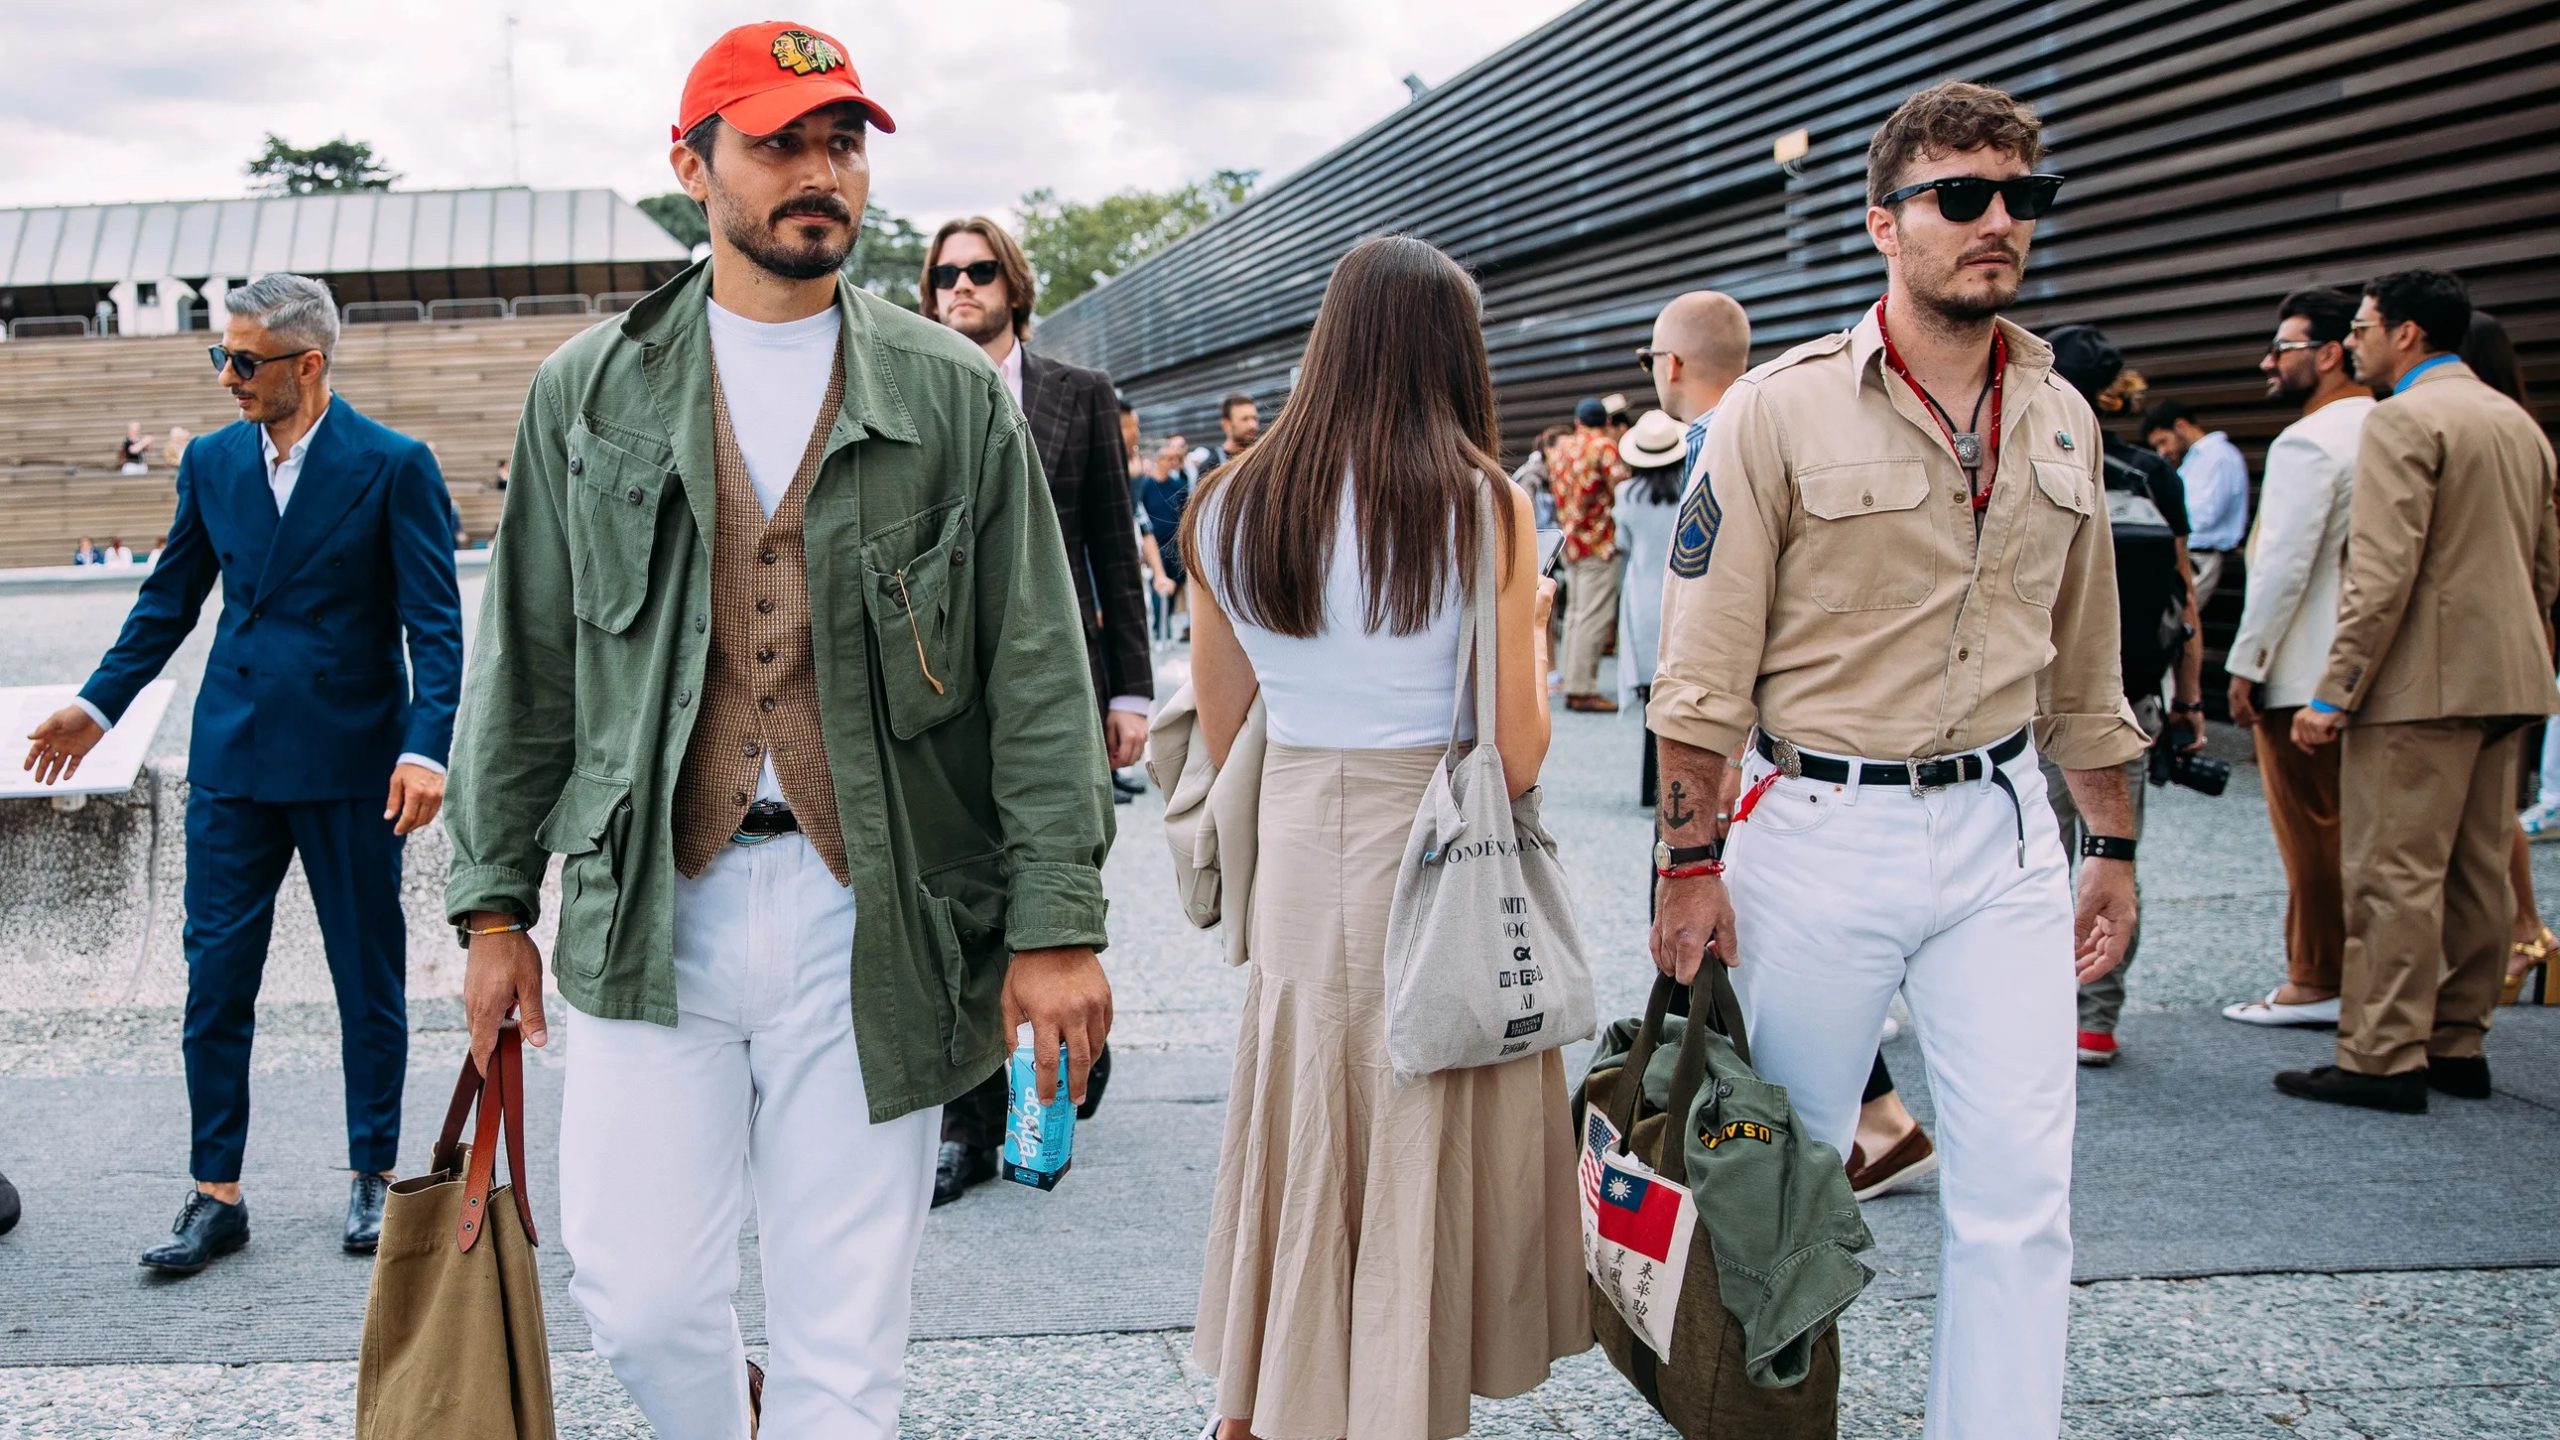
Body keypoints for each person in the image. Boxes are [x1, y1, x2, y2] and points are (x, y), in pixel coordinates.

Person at [442, 25, 1114, 1436]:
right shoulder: (591, 389)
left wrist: (1057, 923)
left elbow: (1037, 670)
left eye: (844, 143)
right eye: (780, 142)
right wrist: (493, 906)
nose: (823, 173)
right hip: (648, 906)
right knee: (638, 1295)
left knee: (846, 1327)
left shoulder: (947, 394)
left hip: (870, 908)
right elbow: (530, 670)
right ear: (692, 166)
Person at [1648, 82, 2145, 1440]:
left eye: (2023, 199)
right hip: (1816, 830)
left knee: (2022, 1201)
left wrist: (2110, 845)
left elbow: (2087, 668)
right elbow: (1700, 672)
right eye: (1963, 196)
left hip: (2002, 832)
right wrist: (1689, 868)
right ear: (1885, 222)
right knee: (1779, 1189)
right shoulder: (1779, 412)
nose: (2000, 223)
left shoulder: (2060, 415)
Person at [1184, 233, 1582, 1440]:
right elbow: (1514, 754)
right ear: (1450, 355)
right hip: (1441, 842)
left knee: (1304, 1113)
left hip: (1304, 834)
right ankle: (1393, 1392)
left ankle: (1272, 1391)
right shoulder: (1482, 504)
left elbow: (1220, 724)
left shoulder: (1230, 504)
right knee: (1422, 1103)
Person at [22, 271, 463, 1273]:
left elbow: (436, 627)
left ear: (308, 365)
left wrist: (424, 746)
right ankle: (215, 1193)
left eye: (244, 360)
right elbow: (168, 601)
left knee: (367, 977)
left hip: (355, 763)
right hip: (233, 760)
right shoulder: (215, 463)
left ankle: (372, 1174)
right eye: (223, 356)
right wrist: (96, 707)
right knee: (215, 979)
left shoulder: (394, 464)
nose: (227, 375)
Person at [2281, 269, 2559, 1113]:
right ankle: (2457, 1041)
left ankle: (2380, 1055)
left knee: (2393, 871)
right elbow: (2546, 570)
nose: (2354, 340)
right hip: (2509, 675)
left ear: (2406, 334)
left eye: (2363, 327)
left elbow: (2381, 573)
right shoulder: (2518, 422)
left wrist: (2335, 693)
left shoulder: (2404, 419)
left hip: (2418, 683)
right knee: (2479, 868)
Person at [918, 213, 1151, 1200]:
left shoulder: (1077, 396)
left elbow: (1111, 544)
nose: (958, 289)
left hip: (1062, 681)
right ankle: (967, 1123)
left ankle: (1063, 1048)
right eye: (941, 276)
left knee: (1053, 884)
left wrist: (1133, 689)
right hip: (942, 690)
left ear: (1011, 286)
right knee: (964, 897)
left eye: (977, 273)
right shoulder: (914, 388)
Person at [2040, 323, 2206, 1067]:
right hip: (2131, 698)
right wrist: (2191, 701)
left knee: (2033, 861)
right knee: (2111, 856)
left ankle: (2031, 1011)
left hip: (2033, 702)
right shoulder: (2150, 474)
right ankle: (2097, 1019)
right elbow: (2184, 597)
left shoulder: (2035, 460)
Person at [2218, 288, 2373, 1029]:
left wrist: (2247, 664)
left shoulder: (2309, 441)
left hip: (2303, 668)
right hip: (2376, 670)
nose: (2268, 362)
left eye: (2283, 348)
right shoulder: (2394, 426)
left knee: (2310, 832)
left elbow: (2282, 563)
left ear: (2330, 352)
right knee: (2365, 835)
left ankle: (2315, 978)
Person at [2466, 313, 2560, 1006]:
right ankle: (2529, 937)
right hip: (2522, 645)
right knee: (2492, 807)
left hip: (2467, 654)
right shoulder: (2525, 438)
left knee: (2477, 815)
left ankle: (2526, 935)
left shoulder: (2465, 434)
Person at [1551, 395, 1628, 711]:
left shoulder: (1562, 448)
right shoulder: (1603, 447)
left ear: (1578, 422)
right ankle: (1582, 689)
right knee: (1593, 617)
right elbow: (1622, 488)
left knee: (1575, 615)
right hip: (1598, 542)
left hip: (1569, 541)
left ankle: (1571, 679)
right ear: (1607, 423)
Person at [1612, 409, 1687, 726]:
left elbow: (1623, 543)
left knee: (1649, 694)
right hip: (1683, 590)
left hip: (1642, 592)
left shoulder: (1626, 495)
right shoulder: (1690, 490)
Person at [2142, 399, 2250, 610]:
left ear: (2181, 425)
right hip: (2186, 555)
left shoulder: (2217, 456)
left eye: (2163, 441)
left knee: (2173, 621)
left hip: (2198, 557)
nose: (2162, 451)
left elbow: (2204, 516)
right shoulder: (2194, 460)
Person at [1140, 433, 1198, 641]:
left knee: (1175, 586)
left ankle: (1167, 626)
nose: (1172, 463)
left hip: (1175, 545)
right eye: (1168, 459)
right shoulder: (1145, 486)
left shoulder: (1177, 486)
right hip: (1155, 545)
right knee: (1158, 589)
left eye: (1175, 459)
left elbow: (1185, 513)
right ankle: (1158, 629)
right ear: (1158, 460)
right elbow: (1140, 518)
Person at [1210, 391, 1258, 471]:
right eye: (1245, 419)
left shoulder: (1260, 457)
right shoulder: (1212, 465)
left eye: (1254, 418)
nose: (1252, 425)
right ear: (1226, 424)